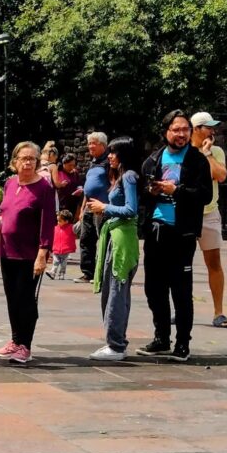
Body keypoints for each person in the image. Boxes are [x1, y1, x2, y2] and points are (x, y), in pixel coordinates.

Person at [137, 110, 212, 362]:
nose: (181, 134)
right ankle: (161, 338)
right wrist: (151, 189)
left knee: (181, 289)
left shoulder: (197, 160)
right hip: (156, 231)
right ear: (166, 131)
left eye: (185, 129)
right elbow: (142, 196)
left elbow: (205, 195)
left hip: (182, 233)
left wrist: (176, 190)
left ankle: (182, 342)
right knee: (153, 288)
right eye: (176, 129)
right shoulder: (153, 160)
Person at [0, 141, 54, 364]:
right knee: (12, 298)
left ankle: (25, 345)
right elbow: (5, 211)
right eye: (24, 158)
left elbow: (48, 223)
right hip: (7, 251)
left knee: (26, 299)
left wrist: (43, 253)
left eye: (32, 159)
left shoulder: (44, 188)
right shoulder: (9, 183)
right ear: (14, 161)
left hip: (29, 253)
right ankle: (15, 340)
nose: (28, 163)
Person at [86, 137, 142, 361]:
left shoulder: (128, 176)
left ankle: (116, 344)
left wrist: (104, 207)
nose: (109, 156)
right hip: (117, 236)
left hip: (122, 240)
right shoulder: (123, 175)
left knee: (116, 292)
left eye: (114, 152)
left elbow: (131, 209)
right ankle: (115, 341)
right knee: (114, 291)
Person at [190, 112, 227, 328]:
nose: (212, 132)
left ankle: (218, 311)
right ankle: (182, 307)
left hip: (209, 211)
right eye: (208, 128)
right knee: (182, 264)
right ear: (196, 129)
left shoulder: (215, 152)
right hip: (187, 212)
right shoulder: (183, 151)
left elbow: (220, 176)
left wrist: (206, 154)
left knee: (214, 262)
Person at [75, 132, 109, 283]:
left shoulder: (108, 162)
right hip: (89, 206)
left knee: (102, 240)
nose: (90, 146)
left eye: (93, 143)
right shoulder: (93, 162)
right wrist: (82, 209)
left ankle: (101, 273)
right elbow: (87, 188)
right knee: (85, 239)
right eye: (89, 143)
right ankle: (88, 272)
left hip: (101, 207)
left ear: (102, 145)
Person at [47, 210, 77, 280]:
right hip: (56, 249)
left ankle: (62, 273)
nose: (58, 222)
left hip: (65, 250)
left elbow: (78, 226)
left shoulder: (71, 227)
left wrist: (82, 219)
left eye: (60, 221)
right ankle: (53, 272)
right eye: (57, 220)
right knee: (55, 262)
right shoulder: (55, 228)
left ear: (66, 221)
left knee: (63, 263)